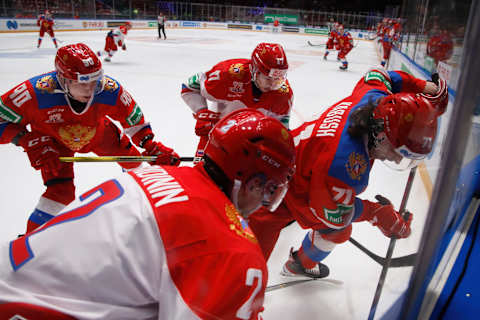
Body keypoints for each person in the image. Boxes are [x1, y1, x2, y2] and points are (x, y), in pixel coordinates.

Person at [0, 109, 296, 319]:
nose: (265, 202)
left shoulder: (156, 176)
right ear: (253, 183)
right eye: (270, 190)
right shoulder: (230, 249)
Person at [248, 68, 449, 278]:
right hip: (279, 188)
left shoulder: (374, 97)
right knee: (247, 268)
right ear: (380, 135)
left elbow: (381, 75)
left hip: (294, 163)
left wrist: (425, 89)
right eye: (398, 152)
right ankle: (298, 265)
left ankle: (296, 263)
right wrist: (377, 213)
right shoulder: (343, 165)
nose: (399, 160)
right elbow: (335, 214)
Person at [0, 43, 178, 233]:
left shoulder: (109, 90)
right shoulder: (34, 93)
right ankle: (30, 242)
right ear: (63, 79)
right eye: (82, 82)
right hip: (53, 145)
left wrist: (151, 146)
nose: (90, 88)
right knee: (61, 194)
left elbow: (133, 120)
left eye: (94, 80)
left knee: (136, 166)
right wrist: (26, 140)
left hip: (100, 136)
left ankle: (144, 211)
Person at [181, 42, 293, 163]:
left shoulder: (283, 95)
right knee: (202, 180)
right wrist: (201, 111)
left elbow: (281, 132)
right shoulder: (228, 75)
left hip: (252, 149)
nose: (273, 85)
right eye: (268, 79)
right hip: (215, 139)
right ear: (255, 71)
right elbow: (189, 87)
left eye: (278, 80)